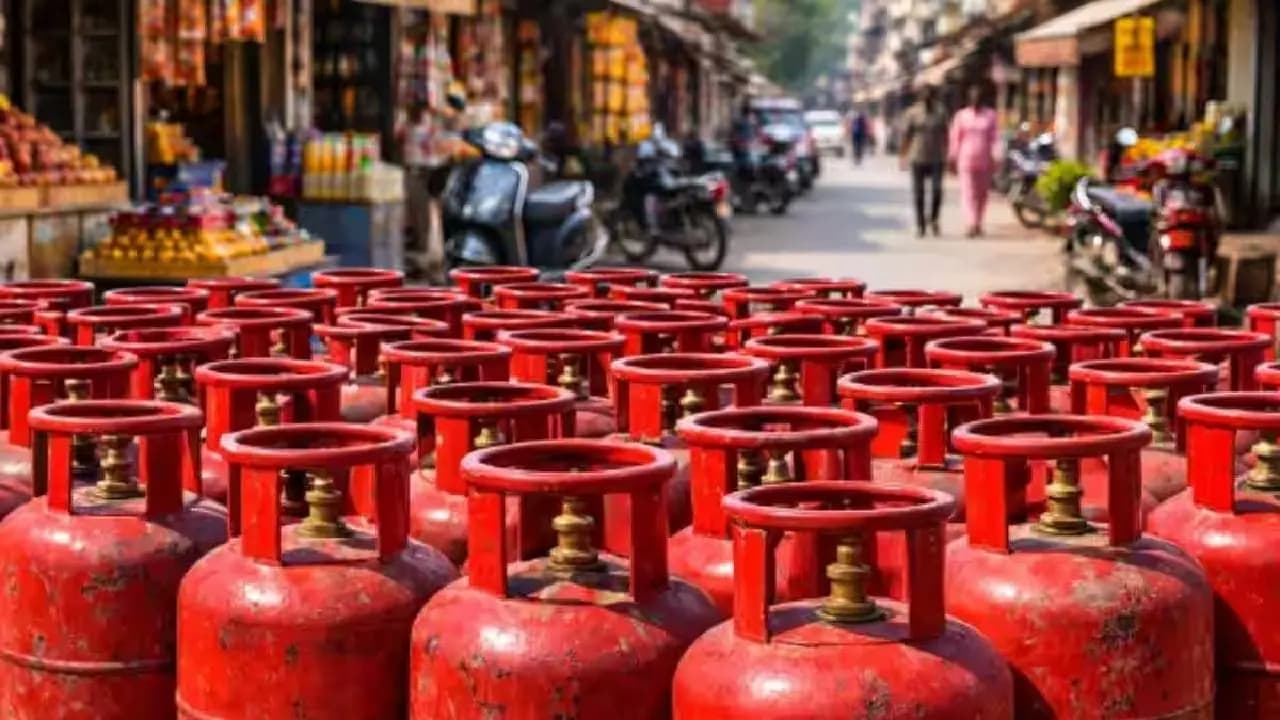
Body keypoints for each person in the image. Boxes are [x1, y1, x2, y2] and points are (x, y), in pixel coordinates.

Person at [948, 81, 1000, 237]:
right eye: (973, 97)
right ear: (970, 99)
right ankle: (972, 223)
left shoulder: (990, 115)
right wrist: (952, 156)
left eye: (978, 97)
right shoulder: (962, 116)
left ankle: (979, 220)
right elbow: (955, 138)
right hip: (966, 159)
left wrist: (997, 156)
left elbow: (994, 138)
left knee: (982, 194)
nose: (976, 100)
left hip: (984, 159)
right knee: (968, 192)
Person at [899, 86, 949, 237]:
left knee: (937, 190)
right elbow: (906, 136)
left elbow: (946, 134)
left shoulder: (941, 112)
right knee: (918, 194)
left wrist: (948, 153)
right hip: (917, 157)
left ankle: (933, 219)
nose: (927, 97)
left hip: (936, 157)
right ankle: (920, 224)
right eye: (924, 94)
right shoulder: (912, 113)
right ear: (920, 96)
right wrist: (903, 156)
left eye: (930, 94)